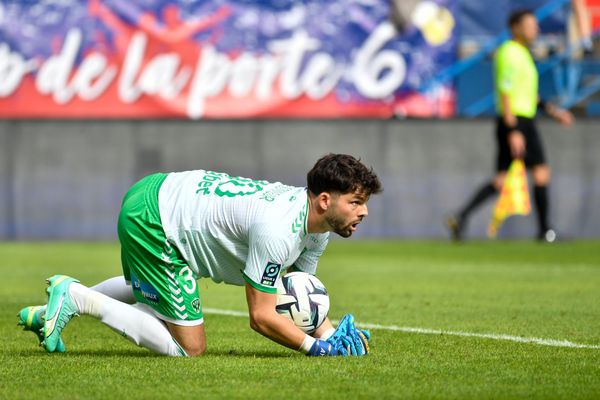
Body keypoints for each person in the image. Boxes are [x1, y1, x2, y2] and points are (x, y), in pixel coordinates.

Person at [18, 153, 381, 357]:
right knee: (188, 347)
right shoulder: (279, 230)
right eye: (355, 203)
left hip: (156, 193)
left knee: (148, 289)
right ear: (323, 200)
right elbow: (261, 315)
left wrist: (329, 333)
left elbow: (298, 292)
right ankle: (77, 297)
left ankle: (52, 309)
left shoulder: (315, 228)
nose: (363, 212)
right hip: (156, 220)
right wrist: (315, 347)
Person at [446, 9, 573, 242]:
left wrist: (554, 112)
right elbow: (506, 93)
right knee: (541, 172)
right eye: (530, 24)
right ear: (516, 27)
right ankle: (545, 230)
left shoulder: (523, 54)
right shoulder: (509, 52)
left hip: (519, 119)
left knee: (501, 181)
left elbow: (529, 94)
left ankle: (461, 217)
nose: (536, 29)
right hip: (516, 120)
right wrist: (514, 130)